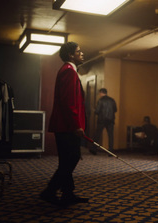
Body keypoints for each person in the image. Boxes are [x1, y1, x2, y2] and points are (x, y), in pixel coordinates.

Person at [40, 42, 89, 206]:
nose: (82, 54)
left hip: (65, 124)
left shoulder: (70, 71)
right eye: (78, 51)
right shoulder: (69, 72)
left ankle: (68, 194)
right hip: (67, 125)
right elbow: (69, 103)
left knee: (66, 160)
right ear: (70, 55)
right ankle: (50, 190)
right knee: (72, 158)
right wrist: (76, 125)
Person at [90, 88, 117, 155]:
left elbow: (97, 111)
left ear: (101, 93)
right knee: (110, 136)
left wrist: (94, 110)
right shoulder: (112, 100)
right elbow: (115, 110)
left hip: (102, 120)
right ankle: (110, 151)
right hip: (110, 120)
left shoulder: (101, 100)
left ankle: (94, 149)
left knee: (97, 135)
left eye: (99, 93)